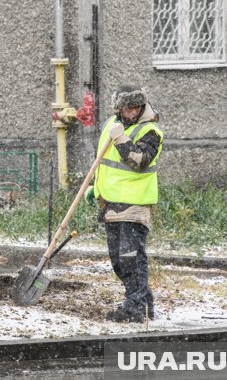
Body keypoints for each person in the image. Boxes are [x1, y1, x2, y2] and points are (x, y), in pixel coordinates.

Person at [89, 84, 163, 323]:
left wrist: (120, 138)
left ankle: (135, 308)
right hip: (110, 203)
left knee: (132, 258)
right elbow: (104, 162)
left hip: (134, 205)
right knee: (119, 261)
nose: (132, 111)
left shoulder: (150, 131)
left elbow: (139, 160)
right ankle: (144, 303)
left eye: (136, 107)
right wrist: (95, 187)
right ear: (119, 107)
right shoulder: (112, 125)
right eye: (128, 107)